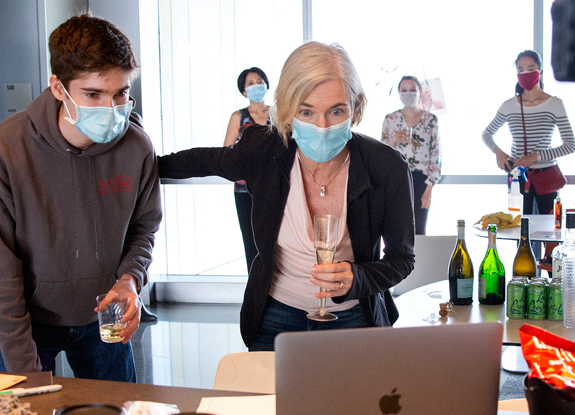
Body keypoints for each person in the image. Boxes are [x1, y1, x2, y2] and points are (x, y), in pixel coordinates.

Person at [159, 42, 415, 351]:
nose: (321, 127)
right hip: (275, 317)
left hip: (353, 318)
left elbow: (402, 259)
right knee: (270, 400)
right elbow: (201, 161)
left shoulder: (385, 166)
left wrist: (356, 277)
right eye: (306, 111)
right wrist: (138, 163)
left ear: (355, 108)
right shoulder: (263, 148)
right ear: (287, 112)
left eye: (336, 111)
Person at [0, 14, 161, 380]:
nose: (112, 108)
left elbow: (144, 229)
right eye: (93, 94)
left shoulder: (136, 147)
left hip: (104, 314)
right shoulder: (5, 149)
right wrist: (29, 379)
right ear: (58, 88)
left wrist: (130, 280)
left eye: (120, 92)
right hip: (25, 317)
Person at [482, 49, 575, 215]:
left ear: (541, 72)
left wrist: (535, 156)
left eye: (530, 69)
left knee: (548, 229)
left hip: (546, 176)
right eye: (520, 69)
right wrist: (499, 154)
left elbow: (570, 145)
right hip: (518, 175)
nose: (525, 73)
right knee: (519, 225)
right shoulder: (509, 105)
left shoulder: (555, 104)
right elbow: (487, 134)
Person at [223, 67, 272, 271]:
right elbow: (227, 152)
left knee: (274, 241)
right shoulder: (238, 117)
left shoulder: (277, 114)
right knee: (251, 244)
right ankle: (256, 292)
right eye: (250, 83)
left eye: (259, 81)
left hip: (273, 188)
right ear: (244, 91)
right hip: (245, 190)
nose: (256, 86)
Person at [381, 76, 441, 235]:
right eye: (404, 91)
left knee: (419, 229)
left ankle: (418, 260)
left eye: (412, 90)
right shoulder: (390, 119)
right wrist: (393, 139)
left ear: (420, 92)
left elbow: (436, 156)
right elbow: (380, 151)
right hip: (395, 178)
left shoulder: (431, 120)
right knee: (396, 229)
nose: (408, 94)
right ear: (399, 93)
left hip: (421, 180)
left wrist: (429, 188)